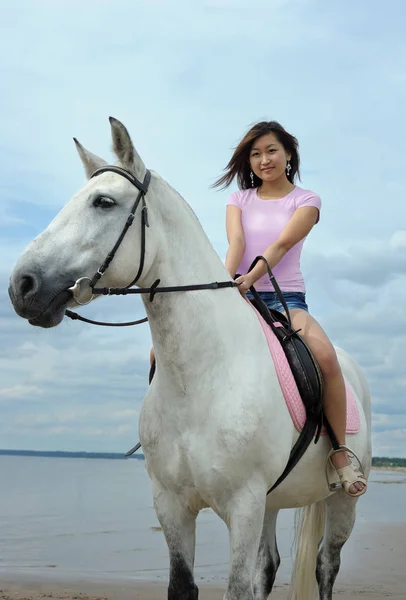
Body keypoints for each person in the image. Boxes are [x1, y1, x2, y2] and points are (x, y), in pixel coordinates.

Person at [214, 121, 367, 497]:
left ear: (288, 155)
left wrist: (251, 278)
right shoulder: (239, 200)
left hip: (286, 300)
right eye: (255, 154)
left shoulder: (306, 200)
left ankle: (340, 455)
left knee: (327, 359)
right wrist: (221, 284)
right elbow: (236, 243)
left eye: (270, 151)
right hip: (239, 293)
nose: (263, 160)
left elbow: (282, 245)